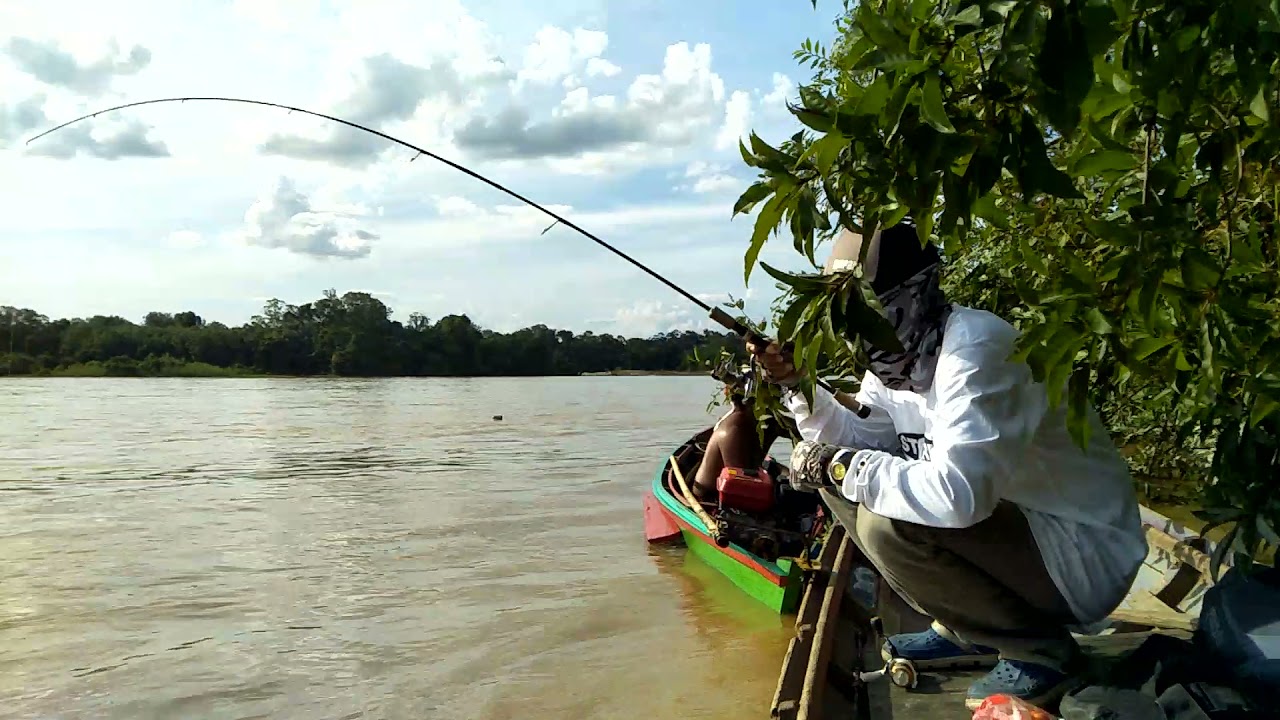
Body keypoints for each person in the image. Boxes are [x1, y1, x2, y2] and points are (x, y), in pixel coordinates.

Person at [746, 222, 1147, 711]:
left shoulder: (977, 348)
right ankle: (968, 625)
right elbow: (859, 438)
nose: (857, 328)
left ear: (912, 294)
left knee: (884, 518)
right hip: (1018, 540)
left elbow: (959, 496)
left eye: (866, 309)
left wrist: (841, 465)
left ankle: (1039, 651)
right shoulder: (898, 362)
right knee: (840, 482)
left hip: (1079, 555)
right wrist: (797, 385)